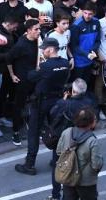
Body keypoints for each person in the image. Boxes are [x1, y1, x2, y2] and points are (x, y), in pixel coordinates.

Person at [14, 38, 70, 177]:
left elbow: (31, 76)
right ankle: (57, 159)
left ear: (50, 49)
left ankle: (30, 164)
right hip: (57, 101)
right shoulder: (65, 63)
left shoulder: (46, 66)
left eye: (44, 49)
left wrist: (39, 65)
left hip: (41, 102)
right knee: (56, 130)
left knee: (33, 132)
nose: (42, 51)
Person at [57, 107, 103, 200]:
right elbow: (96, 164)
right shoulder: (92, 141)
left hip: (68, 178)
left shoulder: (66, 133)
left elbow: (59, 151)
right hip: (87, 182)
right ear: (90, 123)